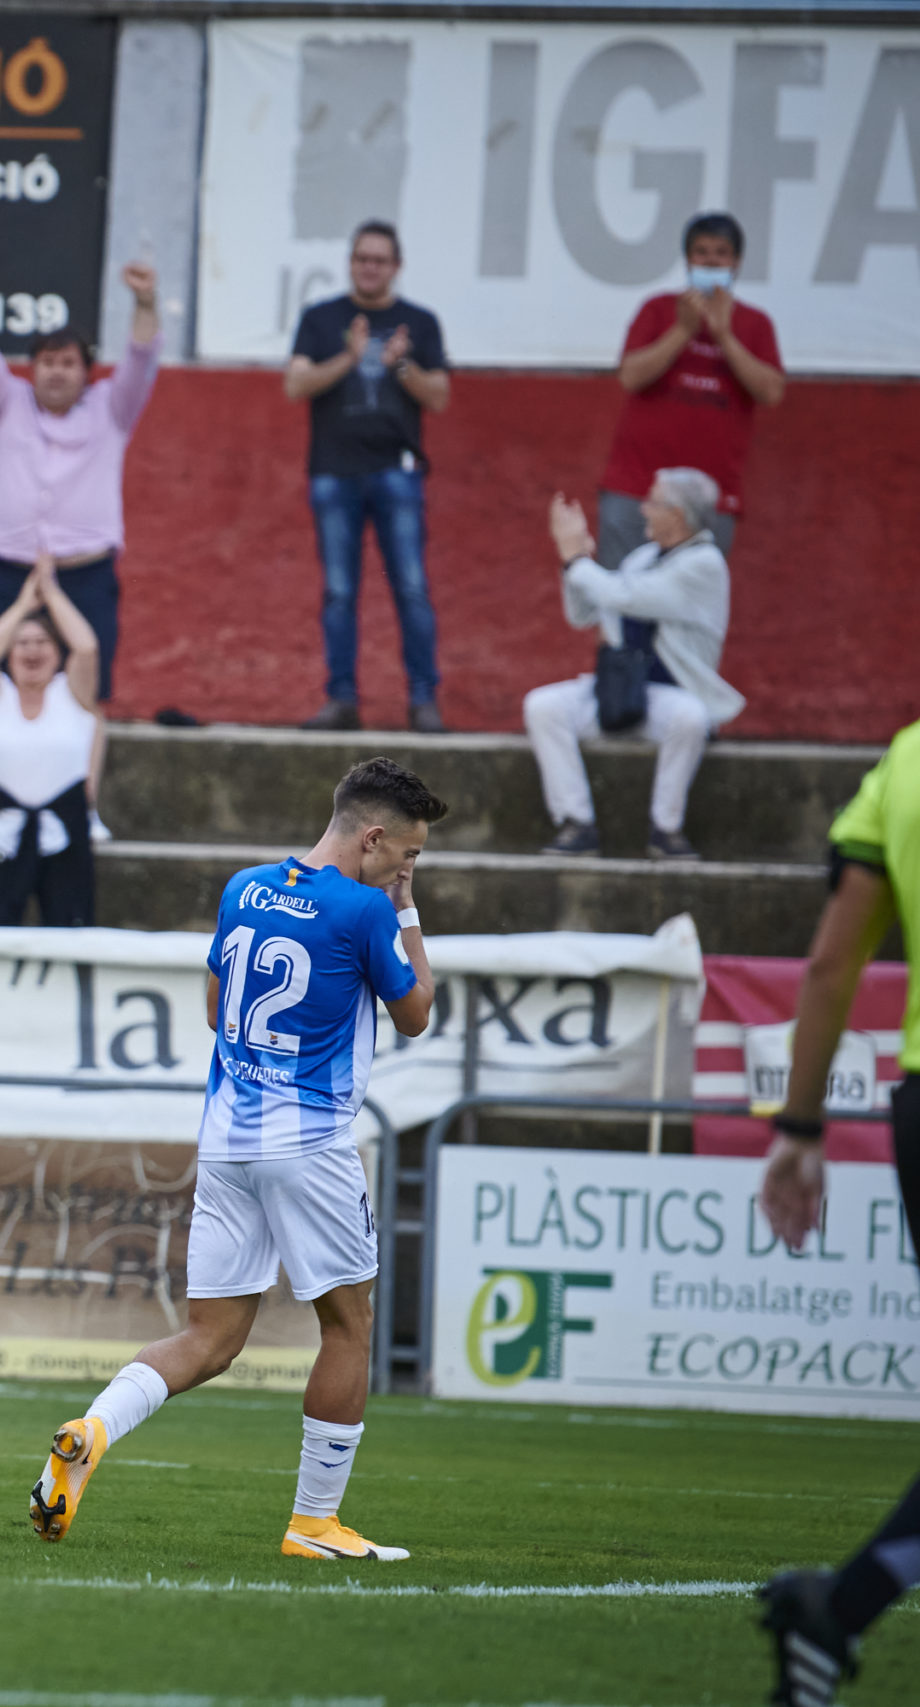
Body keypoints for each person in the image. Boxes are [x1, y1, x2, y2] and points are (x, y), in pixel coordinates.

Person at [26, 757, 442, 1561]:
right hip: (310, 1141)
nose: (408, 867)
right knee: (348, 1327)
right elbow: (416, 1014)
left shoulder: (245, 886)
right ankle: (313, 1523)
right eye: (410, 853)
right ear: (375, 835)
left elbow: (218, 1008)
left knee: (210, 1337)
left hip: (227, 1135)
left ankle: (93, 1428)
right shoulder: (364, 909)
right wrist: (409, 913)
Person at [756, 719, 920, 1707]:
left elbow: (830, 965)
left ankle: (837, 1610)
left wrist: (801, 1123)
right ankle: (838, 1608)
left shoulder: (903, 760)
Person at [0, 246, 158, 839]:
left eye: (68, 362)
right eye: (46, 361)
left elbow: (142, 356)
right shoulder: (6, 403)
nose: (57, 371)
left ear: (85, 370)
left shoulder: (113, 410)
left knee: (89, 694)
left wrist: (143, 300)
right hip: (9, 569)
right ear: (31, 368)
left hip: (84, 574)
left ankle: (84, 809)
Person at [285, 220, 453, 733]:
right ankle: (341, 700)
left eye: (379, 260)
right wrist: (349, 358)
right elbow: (296, 384)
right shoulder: (321, 318)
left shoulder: (419, 323)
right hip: (334, 473)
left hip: (397, 472)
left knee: (412, 587)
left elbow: (440, 397)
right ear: (351, 262)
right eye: (361, 258)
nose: (369, 268)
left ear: (396, 267)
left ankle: (423, 701)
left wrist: (400, 367)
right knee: (339, 592)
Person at [527, 468, 740, 860]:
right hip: (621, 691)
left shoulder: (705, 563)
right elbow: (585, 612)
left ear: (678, 514)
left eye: (653, 502)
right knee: (543, 706)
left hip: (672, 698)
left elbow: (626, 595)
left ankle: (666, 829)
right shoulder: (644, 557)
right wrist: (574, 559)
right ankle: (577, 823)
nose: (643, 510)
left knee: (691, 717)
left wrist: (577, 559)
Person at [597, 212, 782, 588]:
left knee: (690, 613)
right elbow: (631, 376)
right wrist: (683, 330)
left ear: (737, 262)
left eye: (721, 253)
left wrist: (725, 336)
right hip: (636, 490)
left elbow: (771, 391)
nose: (711, 261)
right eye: (701, 253)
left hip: (710, 501)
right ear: (687, 261)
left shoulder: (755, 324)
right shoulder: (658, 310)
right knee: (618, 604)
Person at [0, 553, 104, 928]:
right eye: (22, 643)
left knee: (69, 927)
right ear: (10, 653)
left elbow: (86, 647)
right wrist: (23, 604)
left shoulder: (70, 694)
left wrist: (51, 594)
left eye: (42, 642)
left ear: (57, 653)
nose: (32, 650)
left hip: (64, 829)